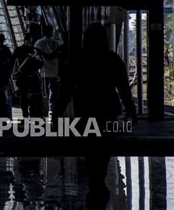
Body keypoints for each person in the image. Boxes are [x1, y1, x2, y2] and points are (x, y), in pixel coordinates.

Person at [54, 22, 137, 206]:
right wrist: (130, 111)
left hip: (85, 109)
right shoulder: (113, 59)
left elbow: (65, 92)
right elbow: (124, 89)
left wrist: (57, 116)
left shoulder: (77, 60)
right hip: (107, 109)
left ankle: (95, 180)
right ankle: (99, 179)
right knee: (104, 147)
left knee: (90, 146)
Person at [11, 33, 43, 117]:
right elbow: (40, 63)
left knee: (23, 96)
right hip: (32, 77)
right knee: (32, 96)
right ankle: (32, 113)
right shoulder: (34, 50)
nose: (30, 43)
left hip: (23, 77)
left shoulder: (18, 50)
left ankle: (25, 114)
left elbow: (13, 61)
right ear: (26, 40)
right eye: (29, 41)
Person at [34, 25, 61, 116]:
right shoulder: (57, 43)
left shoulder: (38, 43)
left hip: (43, 70)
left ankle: (44, 109)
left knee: (44, 91)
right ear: (51, 31)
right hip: (54, 70)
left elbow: (36, 57)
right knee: (54, 90)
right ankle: (52, 107)